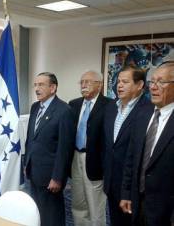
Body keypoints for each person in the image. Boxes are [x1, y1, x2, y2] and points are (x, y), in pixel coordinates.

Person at [120, 62, 174, 226]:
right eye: (152, 82)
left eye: (161, 82)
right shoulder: (143, 114)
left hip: (167, 210)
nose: (153, 87)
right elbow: (131, 158)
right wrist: (126, 193)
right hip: (138, 203)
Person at [24, 72, 75, 226]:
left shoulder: (64, 110)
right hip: (34, 171)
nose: (37, 88)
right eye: (35, 85)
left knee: (52, 216)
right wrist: (27, 163)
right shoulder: (35, 107)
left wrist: (58, 177)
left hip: (51, 175)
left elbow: (65, 148)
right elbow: (30, 139)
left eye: (41, 85)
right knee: (37, 213)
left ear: (53, 88)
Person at [103, 65, 149, 226]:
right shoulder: (111, 107)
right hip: (111, 182)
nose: (119, 85)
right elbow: (109, 145)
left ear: (140, 85)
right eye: (118, 81)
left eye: (125, 82)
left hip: (133, 188)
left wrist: (128, 191)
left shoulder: (149, 111)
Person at [69, 70, 110, 226]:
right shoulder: (74, 104)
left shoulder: (109, 105)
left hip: (95, 161)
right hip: (75, 158)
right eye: (82, 82)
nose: (83, 85)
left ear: (99, 85)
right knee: (78, 203)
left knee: (96, 206)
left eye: (88, 81)